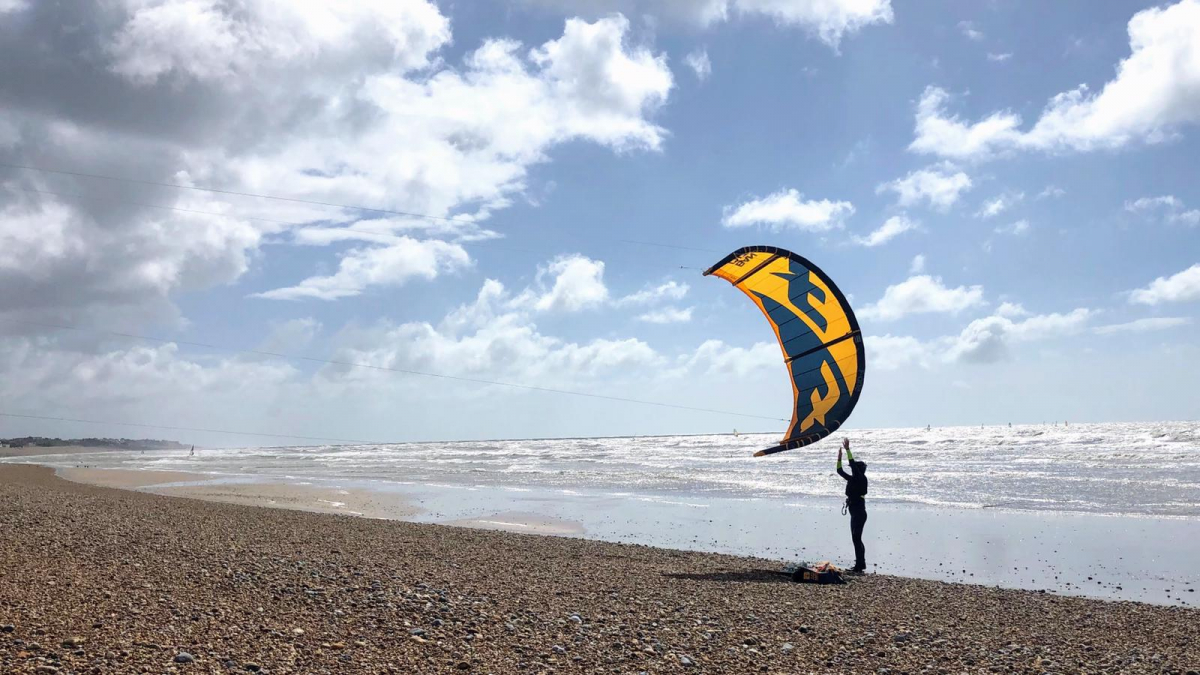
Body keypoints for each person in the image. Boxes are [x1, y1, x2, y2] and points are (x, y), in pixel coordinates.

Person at [836, 438, 868, 573]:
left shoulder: (860, 478)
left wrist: (848, 450)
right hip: (854, 510)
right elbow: (840, 471)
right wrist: (839, 459)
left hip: (859, 511)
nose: (852, 470)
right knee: (856, 538)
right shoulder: (853, 479)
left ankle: (859, 565)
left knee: (856, 538)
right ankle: (860, 564)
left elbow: (853, 464)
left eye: (855, 469)